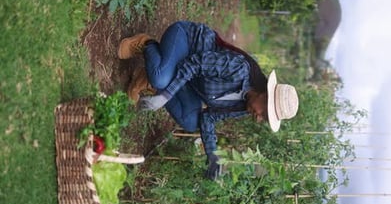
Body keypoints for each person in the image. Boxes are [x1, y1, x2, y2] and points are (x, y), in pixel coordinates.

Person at [118, 21, 299, 180]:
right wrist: (166, 96)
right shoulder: (240, 70)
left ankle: (149, 79)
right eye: (264, 114)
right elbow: (194, 64)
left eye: (264, 119)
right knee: (161, 78)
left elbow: (208, 118)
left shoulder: (244, 107)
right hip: (186, 42)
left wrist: (212, 154)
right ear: (265, 96)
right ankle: (146, 44)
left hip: (190, 79)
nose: (259, 118)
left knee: (191, 121)